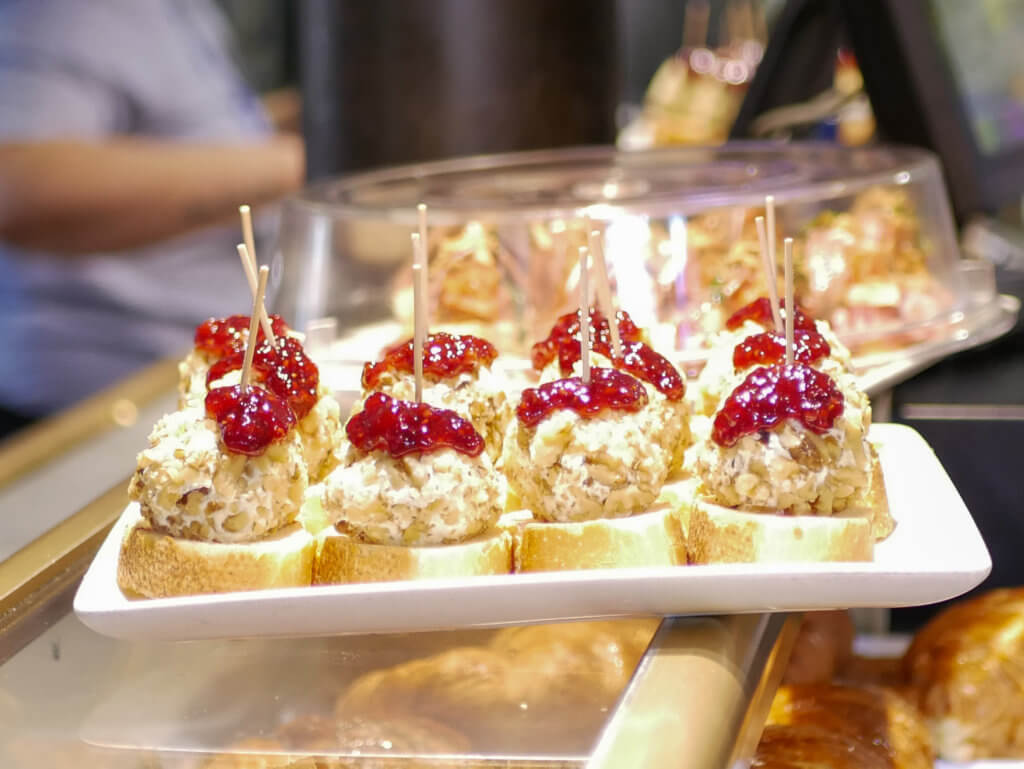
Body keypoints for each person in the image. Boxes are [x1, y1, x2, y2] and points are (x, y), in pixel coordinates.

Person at [0, 0, 305, 437]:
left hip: (225, 377)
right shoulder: (59, 13)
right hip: (96, 413)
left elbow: (184, 130)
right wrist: (303, 162)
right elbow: (17, 187)